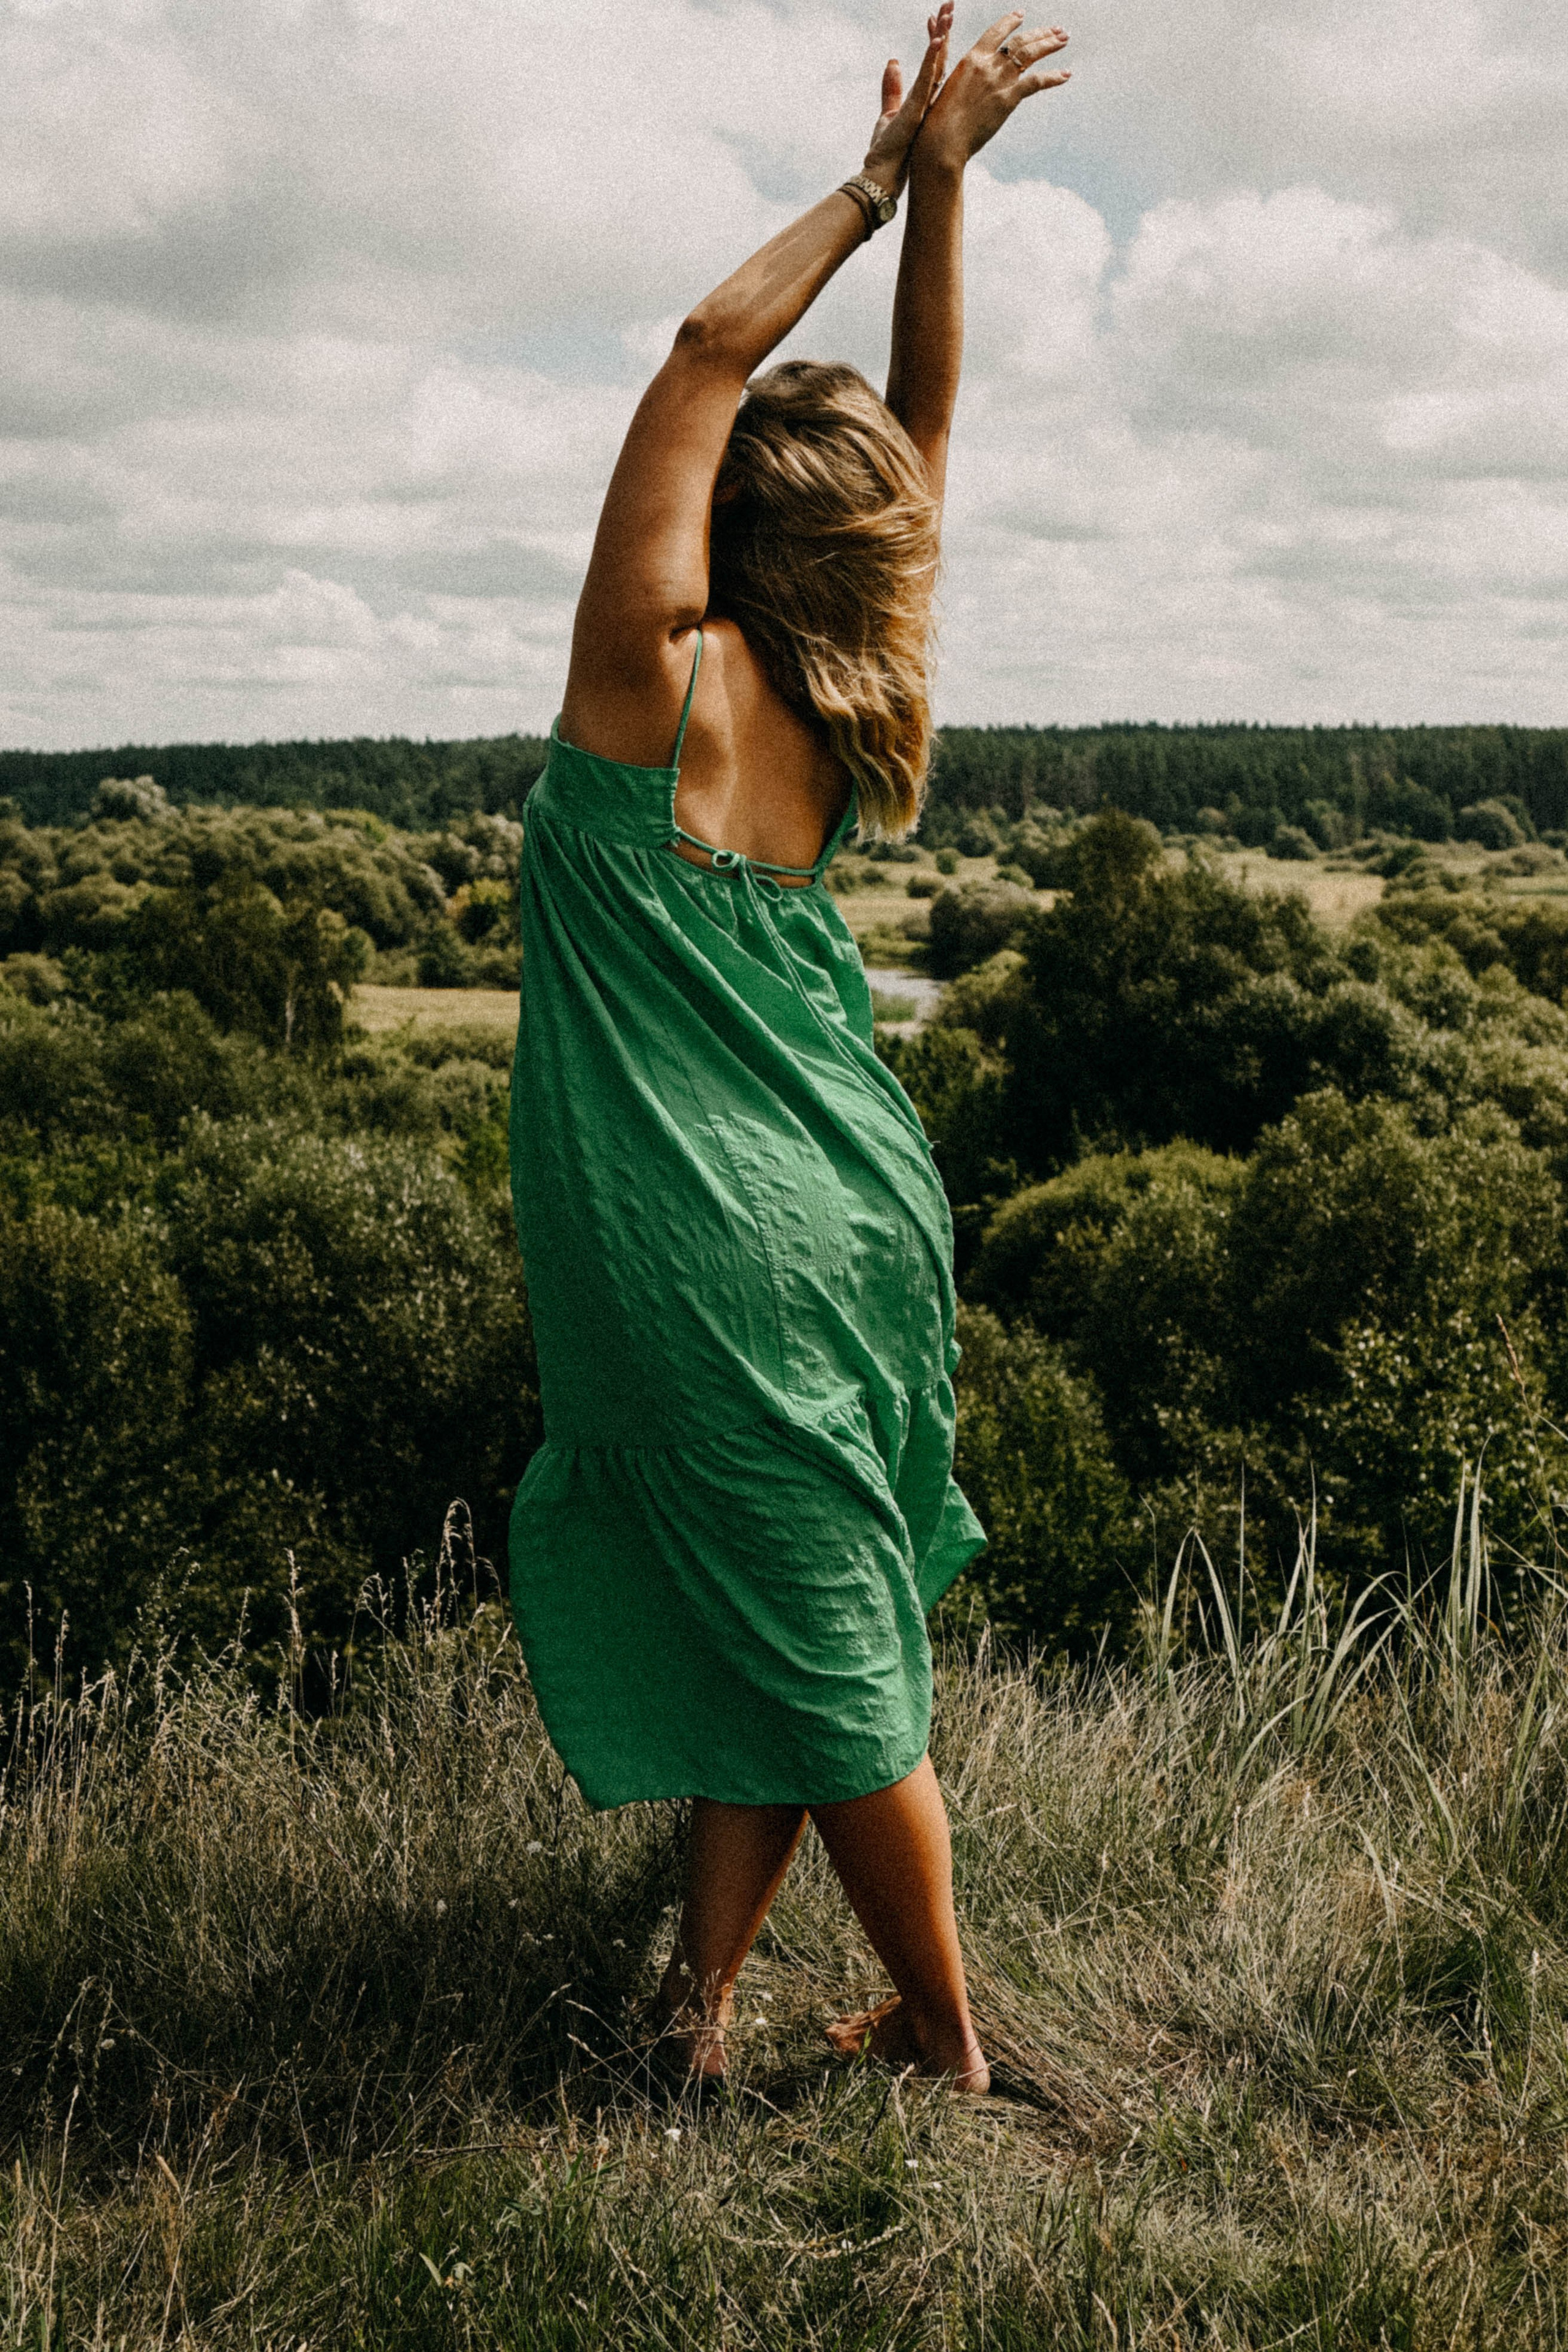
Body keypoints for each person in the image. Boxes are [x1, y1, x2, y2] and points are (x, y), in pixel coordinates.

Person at [508, 7, 1071, 2095]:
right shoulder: (842, 703)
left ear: (728, 524)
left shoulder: (648, 685)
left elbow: (697, 350)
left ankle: (944, 2040)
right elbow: (917, 429)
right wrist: (951, 187)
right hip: (849, 1209)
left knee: (830, 1667)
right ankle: (699, 2016)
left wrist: (870, 183)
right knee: (773, 1603)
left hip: (699, 1253)